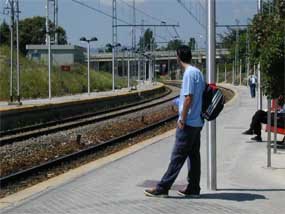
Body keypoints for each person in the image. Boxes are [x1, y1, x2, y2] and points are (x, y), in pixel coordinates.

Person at [144, 45, 205, 198]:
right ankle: (194, 188)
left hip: (189, 122)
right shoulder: (198, 72)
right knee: (194, 157)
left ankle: (163, 188)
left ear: (178, 57)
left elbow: (189, 98)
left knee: (177, 156)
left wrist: (182, 119)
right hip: (197, 122)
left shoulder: (189, 74)